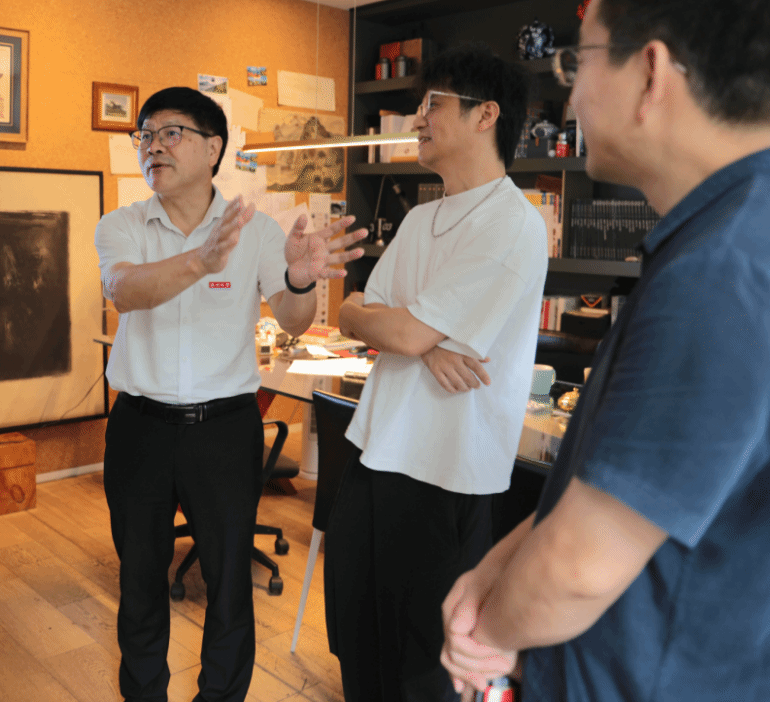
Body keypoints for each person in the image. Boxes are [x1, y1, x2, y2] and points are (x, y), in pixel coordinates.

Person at [439, 0, 770, 702]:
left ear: (651, 73)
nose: (571, 95)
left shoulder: (728, 268)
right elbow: (630, 483)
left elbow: (579, 566)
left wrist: (486, 635)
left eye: (580, 61)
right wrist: (497, 569)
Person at [95, 86, 367, 702]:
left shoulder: (260, 231)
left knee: (227, 586)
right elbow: (125, 290)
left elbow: (293, 318)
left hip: (223, 431)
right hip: (139, 428)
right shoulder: (122, 224)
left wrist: (301, 279)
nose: (153, 146)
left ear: (213, 147)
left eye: (171, 133)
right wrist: (202, 258)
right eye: (144, 135)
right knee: (139, 582)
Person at [330, 45, 547, 701]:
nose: (418, 117)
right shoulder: (421, 217)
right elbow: (351, 310)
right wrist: (421, 343)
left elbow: (392, 326)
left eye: (433, 103)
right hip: (374, 455)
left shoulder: (514, 222)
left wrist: (404, 331)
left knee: (424, 674)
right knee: (359, 646)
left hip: (447, 473)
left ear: (486, 115)